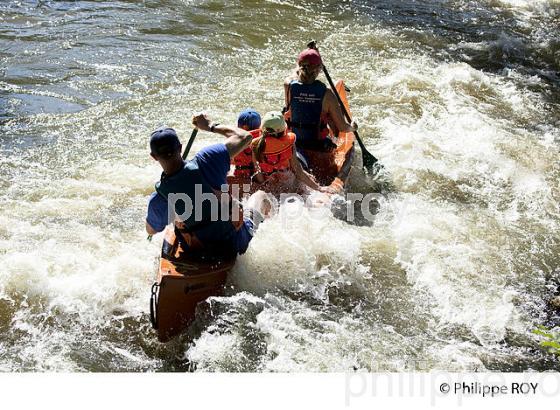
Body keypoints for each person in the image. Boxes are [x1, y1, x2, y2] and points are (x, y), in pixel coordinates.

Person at [145, 114, 272, 257]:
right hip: (235, 243)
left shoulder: (159, 196)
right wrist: (210, 126)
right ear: (180, 148)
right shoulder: (208, 158)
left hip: (199, 250)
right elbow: (245, 137)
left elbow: (151, 230)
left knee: (177, 220)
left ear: (154, 157)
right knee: (261, 196)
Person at [283, 48, 358, 155]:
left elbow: (296, 72)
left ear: (300, 65)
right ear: (319, 69)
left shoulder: (288, 85)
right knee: (331, 118)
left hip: (294, 142)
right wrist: (353, 127)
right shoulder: (327, 95)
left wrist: (310, 59)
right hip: (318, 146)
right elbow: (342, 128)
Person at [251, 111, 332, 194]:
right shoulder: (289, 144)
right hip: (289, 187)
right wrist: (318, 188)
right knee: (309, 177)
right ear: (284, 130)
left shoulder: (256, 146)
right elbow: (298, 171)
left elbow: (259, 175)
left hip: (270, 189)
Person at [231, 109, 262, 179]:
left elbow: (231, 161)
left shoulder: (234, 141)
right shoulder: (262, 139)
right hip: (257, 177)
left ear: (244, 127)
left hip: (240, 176)